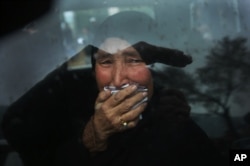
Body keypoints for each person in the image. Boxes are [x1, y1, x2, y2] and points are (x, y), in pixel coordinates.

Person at [2, 11, 226, 166]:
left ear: (153, 72)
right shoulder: (64, 108)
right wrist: (90, 141)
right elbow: (19, 131)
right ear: (91, 72)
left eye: (134, 61)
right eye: (106, 62)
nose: (118, 80)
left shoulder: (171, 115)